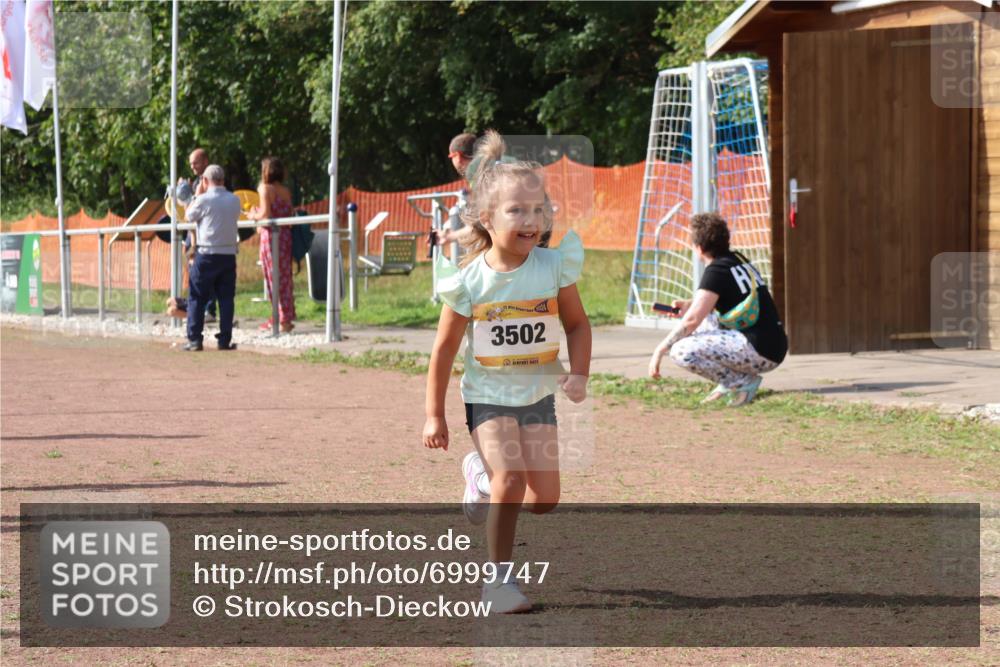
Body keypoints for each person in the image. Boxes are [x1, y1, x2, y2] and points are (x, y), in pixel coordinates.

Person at [422, 130, 591, 614]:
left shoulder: (554, 267)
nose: (531, 220)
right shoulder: (469, 281)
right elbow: (443, 351)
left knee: (545, 499)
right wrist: (435, 416)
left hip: (537, 397)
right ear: (485, 218)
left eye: (539, 210)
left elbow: (578, 326)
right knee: (512, 480)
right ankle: (498, 584)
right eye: (516, 210)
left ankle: (478, 475)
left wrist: (578, 373)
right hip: (488, 396)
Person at [647, 212, 787, 405]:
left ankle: (739, 381)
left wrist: (659, 350)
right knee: (702, 323)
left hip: (762, 351)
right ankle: (731, 381)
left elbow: (691, 321)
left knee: (680, 350)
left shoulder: (715, 271)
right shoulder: (737, 259)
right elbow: (712, 304)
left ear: (699, 248)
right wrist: (690, 305)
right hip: (773, 345)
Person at [182, 165, 240, 352]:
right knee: (226, 298)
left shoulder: (203, 200)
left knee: (197, 296)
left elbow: (188, 216)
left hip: (206, 254)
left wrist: (196, 195)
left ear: (205, 181)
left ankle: (195, 339)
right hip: (228, 255)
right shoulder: (234, 200)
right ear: (223, 179)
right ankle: (224, 340)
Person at [247, 156, 296, 332]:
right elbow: (286, 213)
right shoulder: (285, 191)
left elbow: (266, 214)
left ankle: (278, 318)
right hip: (285, 237)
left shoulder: (264, 189)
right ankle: (286, 317)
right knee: (285, 277)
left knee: (272, 277)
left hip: (271, 237)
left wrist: (253, 215)